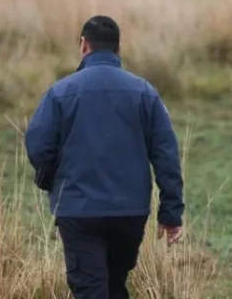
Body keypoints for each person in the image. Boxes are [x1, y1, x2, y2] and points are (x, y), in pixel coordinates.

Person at [24, 16, 185, 299]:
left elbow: (39, 145)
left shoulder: (61, 92)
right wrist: (170, 212)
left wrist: (52, 182)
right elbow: (166, 155)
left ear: (84, 45)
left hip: (78, 209)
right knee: (114, 284)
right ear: (118, 48)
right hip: (130, 212)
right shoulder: (144, 92)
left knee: (90, 288)